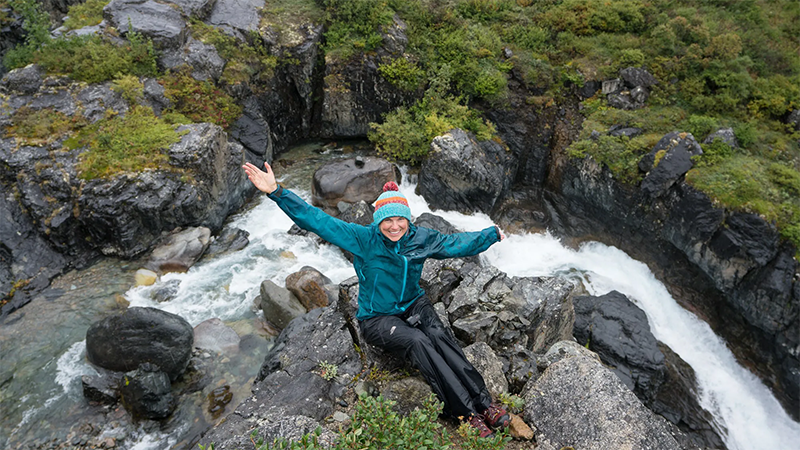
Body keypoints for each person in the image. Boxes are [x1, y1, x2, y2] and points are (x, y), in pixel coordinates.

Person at [243, 161, 510, 438]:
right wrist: (276, 191)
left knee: (440, 337)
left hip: (414, 304)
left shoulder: (420, 238)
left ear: (408, 219)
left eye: (400, 219)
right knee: (419, 342)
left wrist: (489, 235)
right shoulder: (363, 239)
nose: (394, 226)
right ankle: (465, 414)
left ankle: (485, 403)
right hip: (377, 318)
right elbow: (317, 220)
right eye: (387, 220)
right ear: (378, 220)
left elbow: (455, 244)